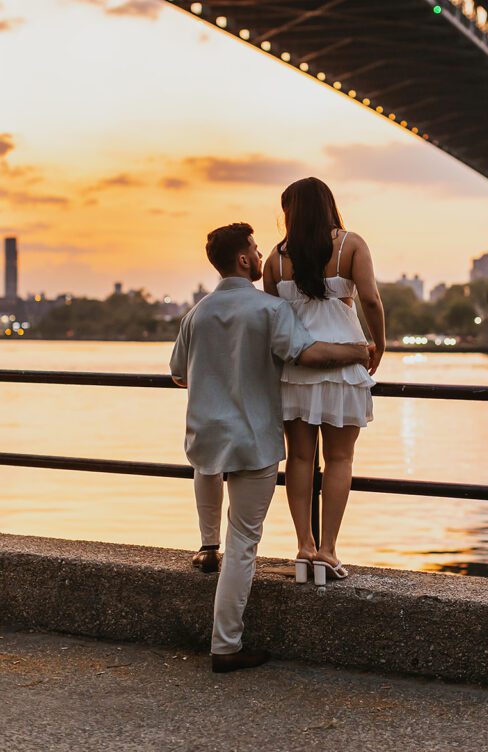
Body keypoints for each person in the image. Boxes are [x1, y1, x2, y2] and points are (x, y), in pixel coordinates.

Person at [170, 222, 370, 673]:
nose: (261, 256)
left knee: (206, 474)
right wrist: (358, 352)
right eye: (256, 250)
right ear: (243, 259)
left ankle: (205, 546)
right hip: (253, 438)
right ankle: (226, 645)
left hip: (205, 433)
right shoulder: (268, 311)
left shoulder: (196, 314)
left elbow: (179, 372)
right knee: (243, 542)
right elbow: (309, 354)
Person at [263, 178, 385, 586]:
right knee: (340, 460)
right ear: (329, 206)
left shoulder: (275, 261)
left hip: (296, 371)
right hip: (344, 370)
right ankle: (328, 551)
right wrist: (378, 344)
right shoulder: (351, 244)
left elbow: (276, 321)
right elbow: (370, 300)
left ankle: (304, 547)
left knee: (298, 459)